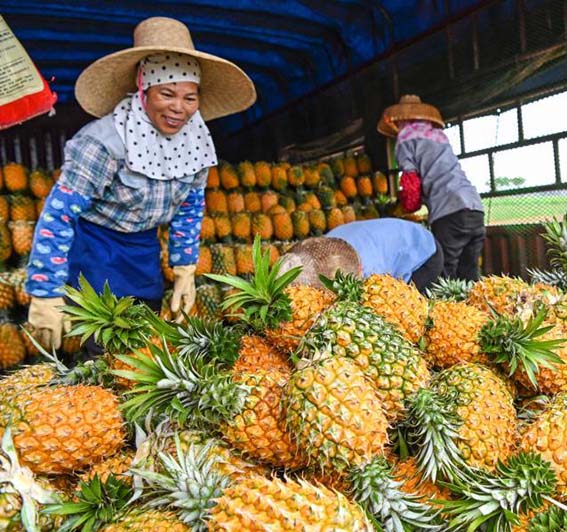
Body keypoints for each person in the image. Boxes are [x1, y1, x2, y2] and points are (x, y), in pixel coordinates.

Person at [25, 17, 256, 352]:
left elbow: (189, 210)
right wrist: (45, 290)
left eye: (190, 98)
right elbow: (59, 215)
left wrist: (184, 267)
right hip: (96, 250)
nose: (179, 108)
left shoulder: (196, 144)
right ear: (143, 91)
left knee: (143, 342)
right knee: (101, 349)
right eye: (167, 93)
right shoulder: (104, 142)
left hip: (144, 249)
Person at [378, 94, 485, 281]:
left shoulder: (405, 137)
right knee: (469, 272)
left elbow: (411, 183)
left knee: (442, 273)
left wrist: (407, 207)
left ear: (401, 119)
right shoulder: (439, 136)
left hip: (448, 211)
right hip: (475, 207)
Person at [278, 218, 444, 293]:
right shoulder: (323, 246)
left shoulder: (370, 271)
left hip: (424, 252)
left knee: (407, 307)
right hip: (391, 240)